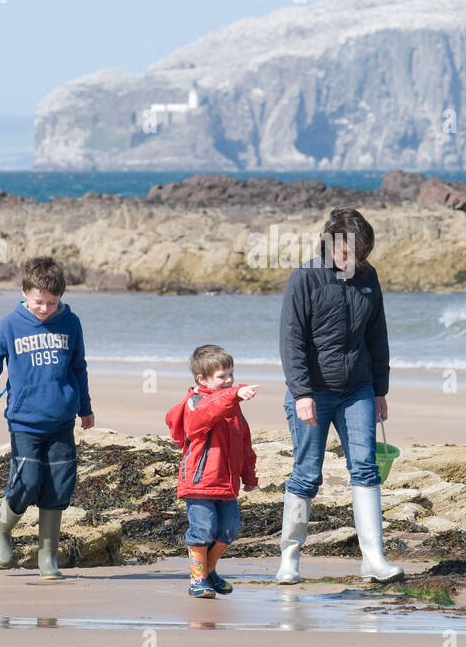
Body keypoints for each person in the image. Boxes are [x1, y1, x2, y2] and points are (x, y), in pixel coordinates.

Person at [276, 206, 403, 584]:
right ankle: (290, 559)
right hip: (312, 391)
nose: (354, 259)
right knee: (306, 476)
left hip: (358, 390)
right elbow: (291, 340)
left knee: (365, 469)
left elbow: (377, 337)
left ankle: (374, 560)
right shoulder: (305, 278)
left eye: (360, 252)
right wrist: (301, 392)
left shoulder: (368, 277)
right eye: (347, 251)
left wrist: (380, 390)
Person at [0, 255, 95, 579]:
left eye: (52, 303)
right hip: (25, 421)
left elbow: (78, 368)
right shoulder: (8, 326)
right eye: (39, 302)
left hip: (62, 421)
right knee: (27, 481)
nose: (45, 309)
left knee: (58, 487)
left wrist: (85, 407)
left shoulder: (71, 323)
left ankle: (47, 558)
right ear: (25, 292)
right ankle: (0, 529)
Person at [164, 344, 259, 599]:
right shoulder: (196, 403)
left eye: (231, 374)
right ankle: (197, 579)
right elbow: (204, 416)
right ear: (202, 379)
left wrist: (249, 476)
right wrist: (235, 393)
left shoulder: (232, 406)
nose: (229, 380)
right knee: (203, 530)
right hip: (199, 482)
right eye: (222, 376)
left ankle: (209, 570)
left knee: (230, 529)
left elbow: (244, 443)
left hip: (226, 483)